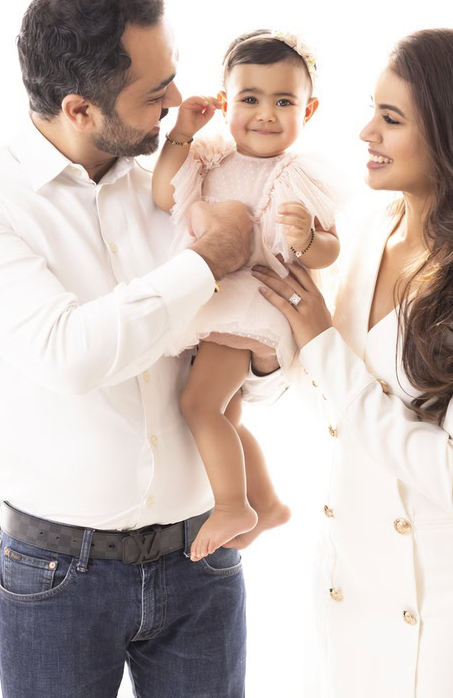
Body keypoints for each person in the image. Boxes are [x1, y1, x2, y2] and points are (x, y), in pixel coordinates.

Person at [0, 0, 286, 698]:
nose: (178, 105)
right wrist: (203, 264)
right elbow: (71, 355)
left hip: (200, 560)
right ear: (80, 108)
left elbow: (239, 342)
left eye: (173, 78)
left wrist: (261, 358)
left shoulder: (182, 179)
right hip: (57, 577)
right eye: (155, 96)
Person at [253, 29, 453, 697]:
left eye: (391, 119)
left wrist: (319, 344)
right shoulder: (367, 232)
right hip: (353, 564)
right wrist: (262, 353)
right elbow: (335, 401)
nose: (365, 130)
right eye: (372, 109)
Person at [151, 29, 341, 561]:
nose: (265, 114)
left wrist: (307, 238)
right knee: (226, 418)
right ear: (224, 101)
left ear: (311, 108)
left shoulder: (296, 173)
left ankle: (233, 504)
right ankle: (266, 501)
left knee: (197, 403)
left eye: (284, 102)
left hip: (250, 300)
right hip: (217, 298)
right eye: (250, 99)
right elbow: (164, 191)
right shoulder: (212, 158)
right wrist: (182, 134)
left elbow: (330, 248)